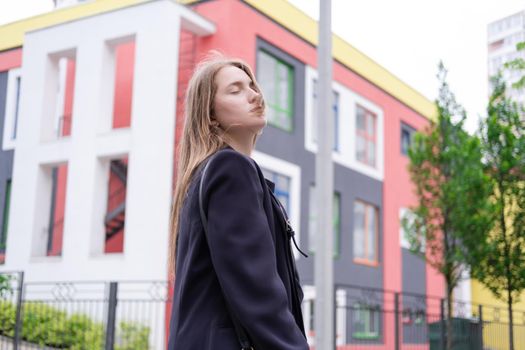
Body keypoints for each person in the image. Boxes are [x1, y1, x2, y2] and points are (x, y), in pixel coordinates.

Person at [167, 54, 309, 350]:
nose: (254, 95)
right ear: (210, 115)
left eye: (252, 86)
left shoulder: (204, 175)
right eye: (236, 90)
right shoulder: (230, 169)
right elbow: (256, 287)